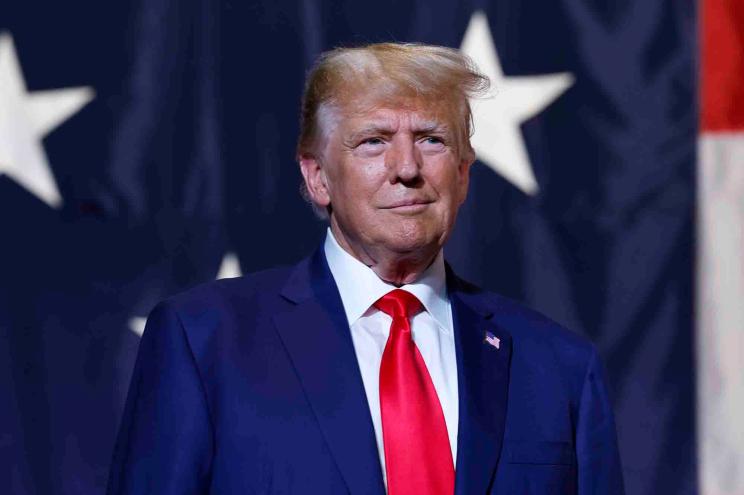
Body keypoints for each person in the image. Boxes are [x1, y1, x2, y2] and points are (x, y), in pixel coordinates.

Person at [107, 43, 624, 494]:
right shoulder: (204, 341)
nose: (406, 168)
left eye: (431, 139)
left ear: (464, 174)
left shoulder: (558, 366)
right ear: (317, 178)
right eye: (373, 141)